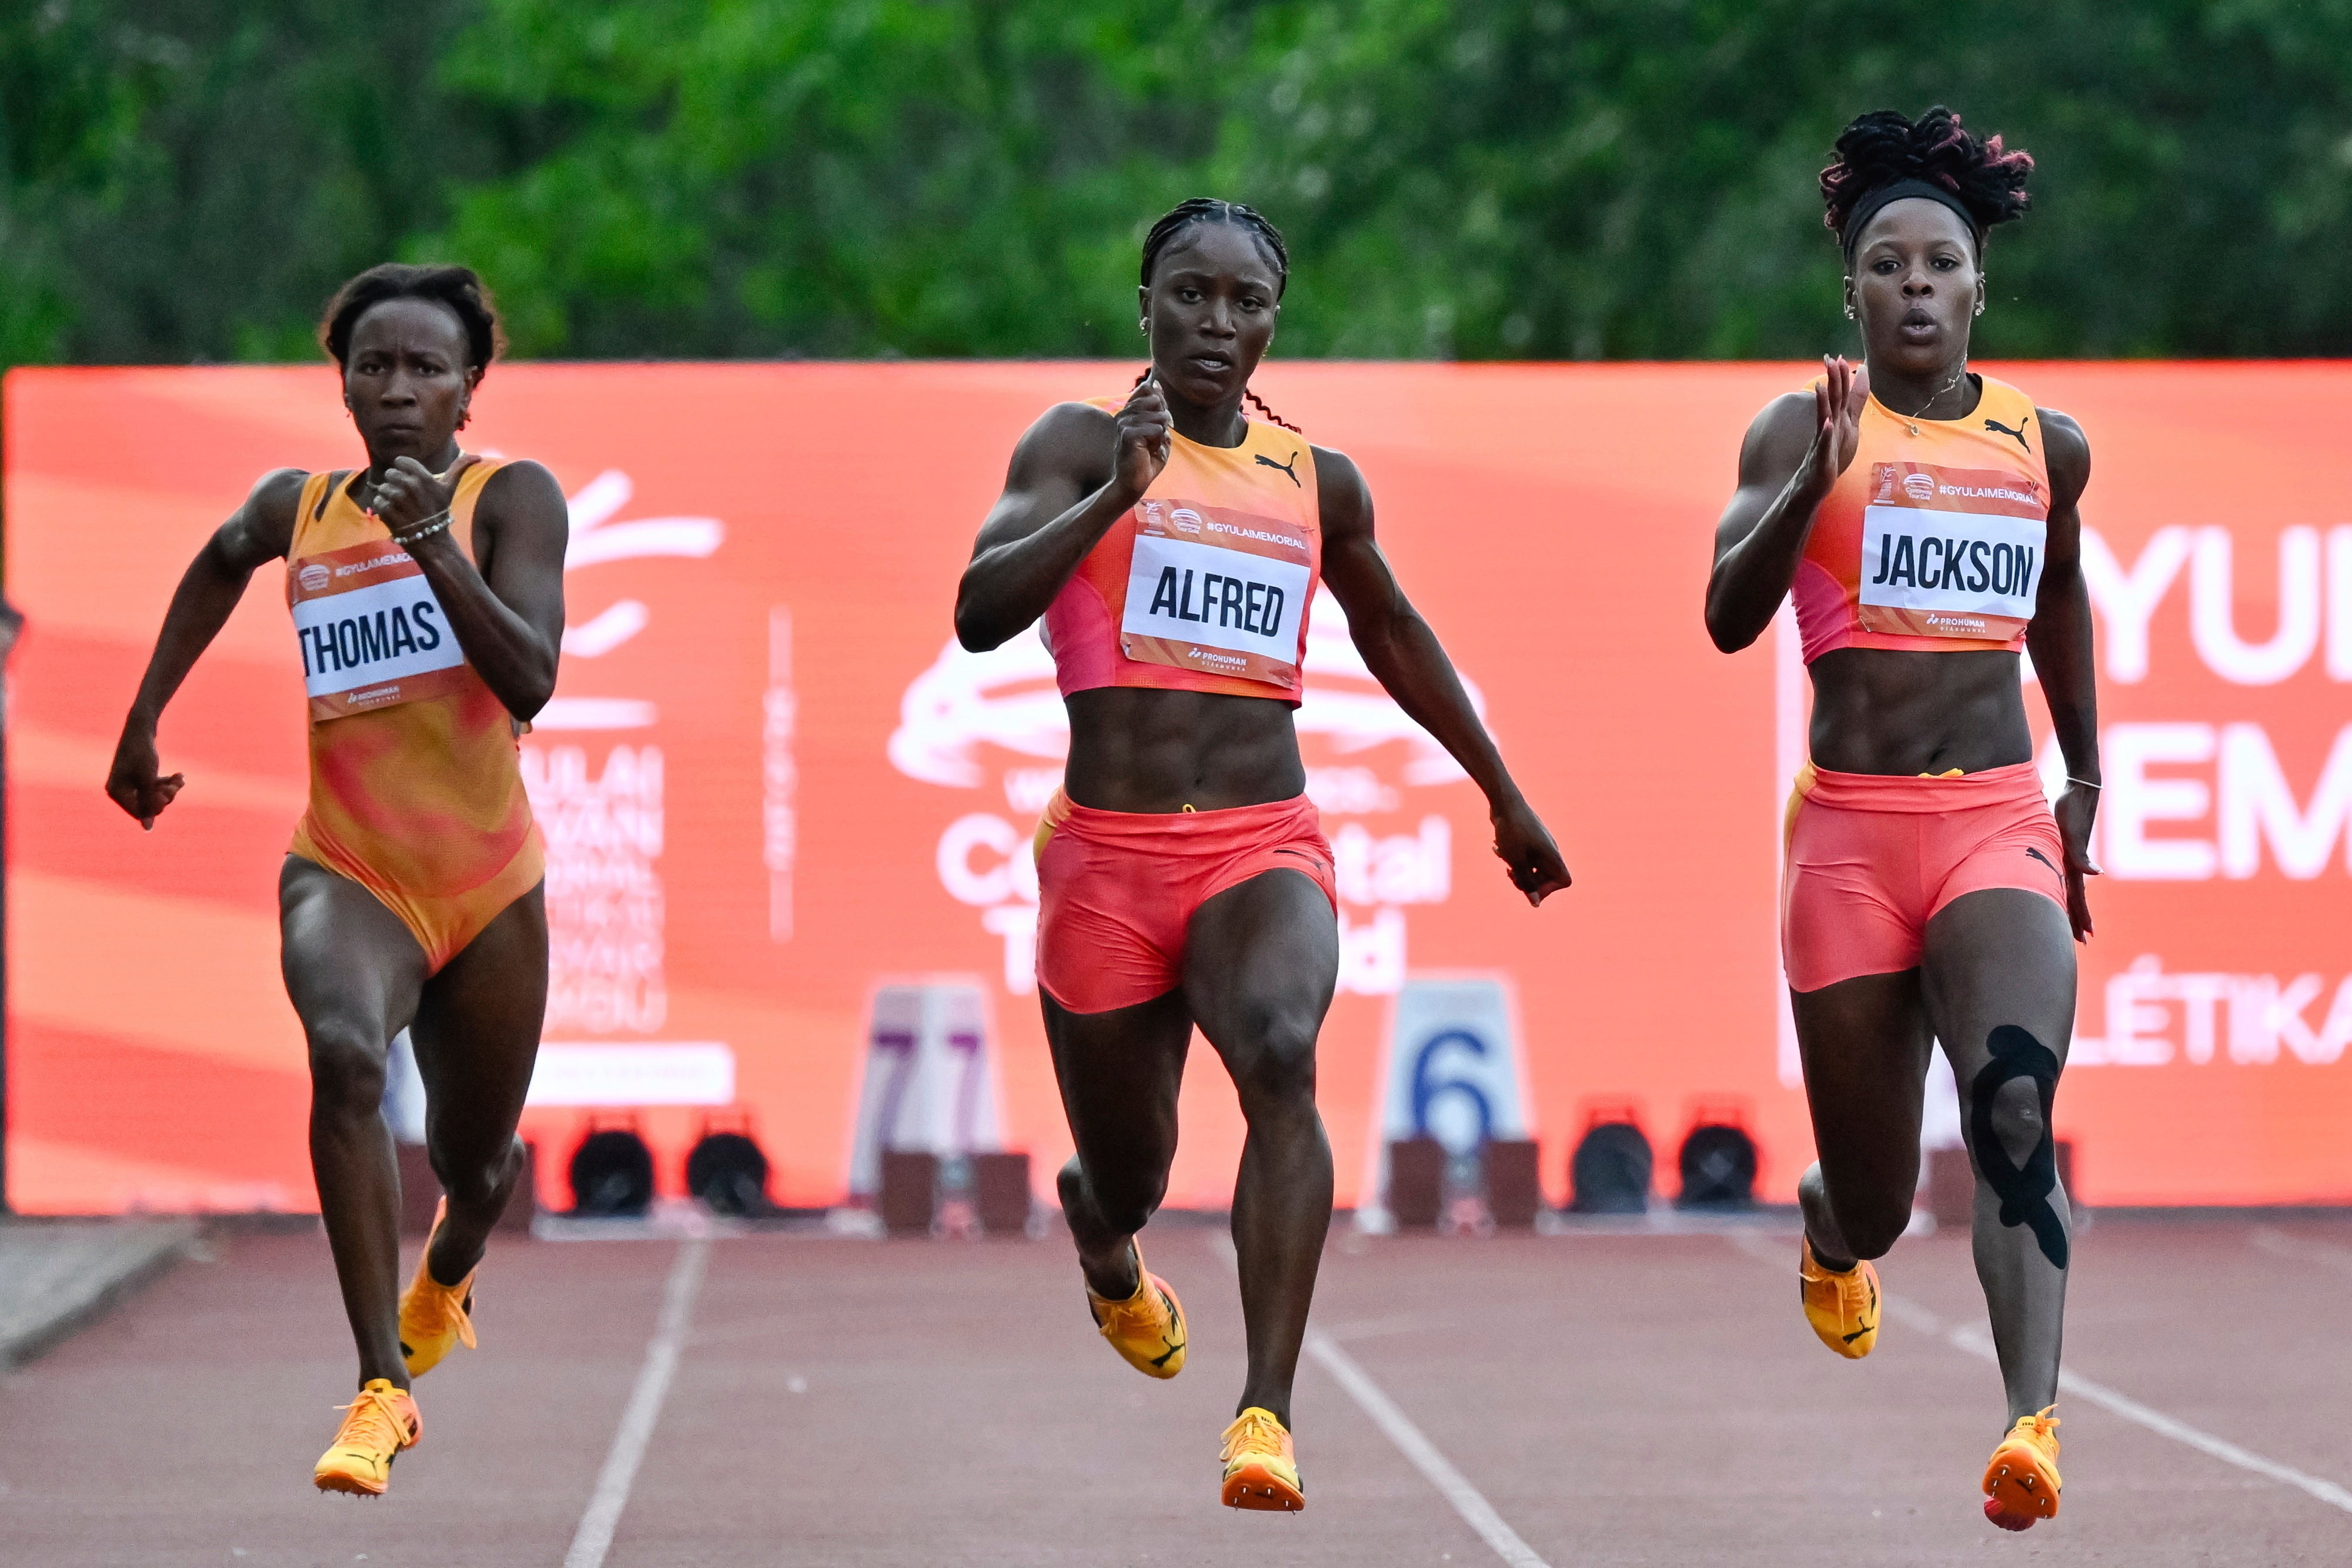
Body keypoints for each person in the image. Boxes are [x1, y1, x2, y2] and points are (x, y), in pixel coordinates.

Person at [955, 198, 1569, 1512]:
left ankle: (1264, 1410)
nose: (1216, 324)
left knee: (1282, 1055)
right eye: (1190, 295)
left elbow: (1395, 629)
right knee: (1131, 1168)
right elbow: (977, 611)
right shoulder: (1074, 444)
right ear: (1144, 305)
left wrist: (1501, 792)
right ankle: (1102, 1232)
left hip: (1256, 841)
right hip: (1105, 863)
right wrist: (1110, 500)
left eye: (1244, 302)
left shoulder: (1313, 482)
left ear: (1273, 320)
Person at [105, 264, 568, 1496]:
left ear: (469, 389)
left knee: (478, 1167)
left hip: (486, 879)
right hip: (347, 864)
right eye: (376, 366)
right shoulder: (298, 507)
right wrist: (144, 717)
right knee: (349, 1057)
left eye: (426, 368)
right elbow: (218, 558)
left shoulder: (507, 498)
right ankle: (380, 1387)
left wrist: (431, 545)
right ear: (345, 385)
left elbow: (530, 679)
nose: (399, 388)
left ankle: (449, 1266)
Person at [1705, 108, 2098, 1531]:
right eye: (1888, 263)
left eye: (1941, 262)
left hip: (1993, 818)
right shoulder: (1796, 427)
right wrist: (1808, 481)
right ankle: (1831, 1221)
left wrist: (2082, 784)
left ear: (1977, 286)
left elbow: (2056, 598)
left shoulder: (2041, 444)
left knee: (2009, 1106)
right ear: (1854, 289)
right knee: (1876, 1197)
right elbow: (1722, 619)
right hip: (1849, 840)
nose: (1916, 285)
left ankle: (2029, 1422)